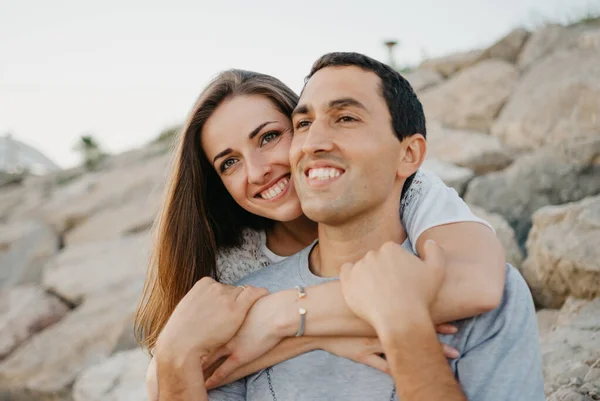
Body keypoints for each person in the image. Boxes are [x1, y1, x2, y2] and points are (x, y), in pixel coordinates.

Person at [154, 52, 544, 400]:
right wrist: (308, 335)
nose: (257, 171)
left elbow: (479, 285)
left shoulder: (420, 195)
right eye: (229, 163)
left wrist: (289, 316)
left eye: (270, 136)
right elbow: (174, 376)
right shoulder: (237, 280)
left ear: (408, 155)